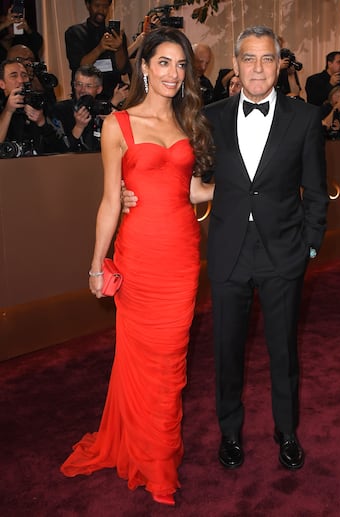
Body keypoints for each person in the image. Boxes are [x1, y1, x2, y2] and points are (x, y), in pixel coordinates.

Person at [123, 26, 329, 472]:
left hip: (283, 254)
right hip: (228, 252)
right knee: (227, 351)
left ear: (280, 65)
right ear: (235, 65)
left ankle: (287, 431)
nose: (258, 68)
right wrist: (132, 192)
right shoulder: (210, 117)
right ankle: (230, 432)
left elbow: (315, 191)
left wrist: (309, 247)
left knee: (284, 352)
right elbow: (179, 172)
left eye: (267, 59)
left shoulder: (305, 118)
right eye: (248, 58)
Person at [60, 27, 215, 507]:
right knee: (141, 361)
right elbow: (111, 200)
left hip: (182, 258)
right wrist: (96, 264)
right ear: (144, 67)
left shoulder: (189, 122)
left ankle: (157, 457)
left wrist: (250, 185)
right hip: (139, 258)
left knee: (170, 363)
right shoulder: (118, 124)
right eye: (164, 62)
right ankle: (154, 463)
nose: (174, 73)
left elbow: (193, 191)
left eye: (181, 65)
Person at [51, 65, 127, 152]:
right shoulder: (61, 109)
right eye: (79, 84)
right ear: (74, 85)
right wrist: (79, 127)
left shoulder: (102, 109)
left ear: (99, 89)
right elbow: (59, 149)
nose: (82, 90)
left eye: (88, 86)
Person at [65, 0, 131, 99]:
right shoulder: (75, 33)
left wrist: (119, 48)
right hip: (85, 95)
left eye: (105, 7)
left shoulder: (115, 34)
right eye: (97, 6)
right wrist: (100, 48)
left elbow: (122, 69)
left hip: (114, 94)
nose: (101, 10)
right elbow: (79, 67)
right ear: (88, 5)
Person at [0, 58, 67, 155]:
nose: (21, 80)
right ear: (2, 84)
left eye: (24, 75)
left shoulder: (39, 104)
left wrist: (42, 122)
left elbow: (62, 150)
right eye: (14, 76)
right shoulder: (3, 109)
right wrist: (8, 111)